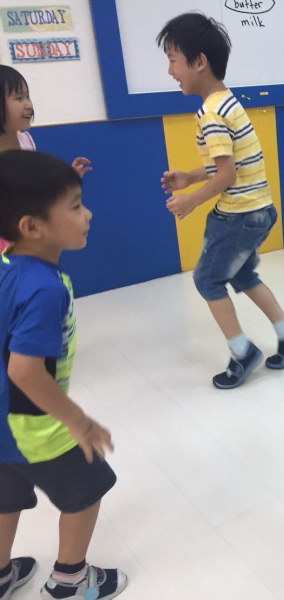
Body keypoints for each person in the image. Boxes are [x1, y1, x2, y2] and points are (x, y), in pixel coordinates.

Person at [156, 13, 284, 389]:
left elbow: (226, 176)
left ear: (199, 62)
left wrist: (190, 200)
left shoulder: (210, 113)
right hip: (260, 209)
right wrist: (189, 176)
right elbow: (225, 164)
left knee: (207, 279)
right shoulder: (227, 103)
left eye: (173, 60)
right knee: (241, 274)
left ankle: (242, 351)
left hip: (239, 215)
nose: (171, 71)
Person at [0, 150, 126, 600]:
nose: (87, 214)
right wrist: (79, 421)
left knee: (6, 497)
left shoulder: (7, 263)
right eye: (74, 206)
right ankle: (70, 579)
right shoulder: (44, 289)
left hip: (2, 426)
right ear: (32, 227)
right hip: (35, 427)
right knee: (88, 489)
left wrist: (57, 185)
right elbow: (25, 370)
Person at [0, 65, 91, 255]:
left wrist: (62, 182)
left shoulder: (25, 140)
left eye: (28, 96)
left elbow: (33, 184)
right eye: (19, 98)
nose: (28, 105)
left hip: (28, 234)